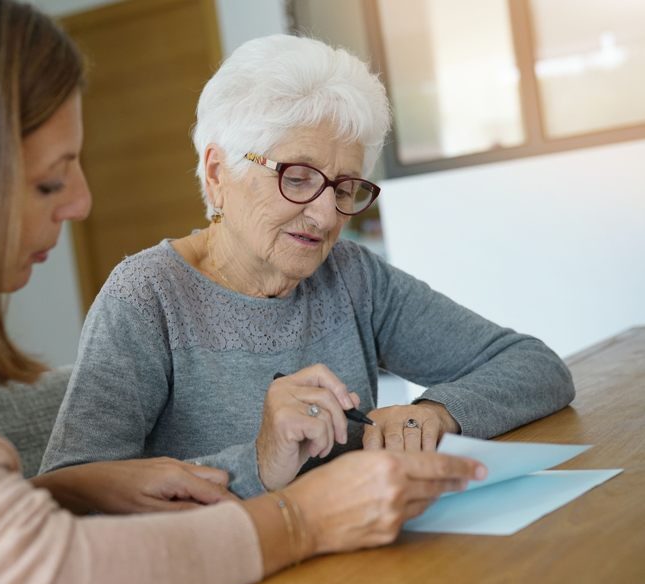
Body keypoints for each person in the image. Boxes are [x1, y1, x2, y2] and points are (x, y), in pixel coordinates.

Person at [0, 2, 487, 584]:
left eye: (342, 187)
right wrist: (302, 518)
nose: (81, 203)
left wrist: (54, 488)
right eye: (50, 181)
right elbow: (27, 581)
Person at [40, 34, 575, 498]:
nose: (324, 215)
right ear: (218, 171)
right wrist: (260, 463)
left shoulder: (350, 275)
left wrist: (435, 412)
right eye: (297, 177)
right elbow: (72, 491)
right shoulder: (147, 296)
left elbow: (534, 366)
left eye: (345, 186)